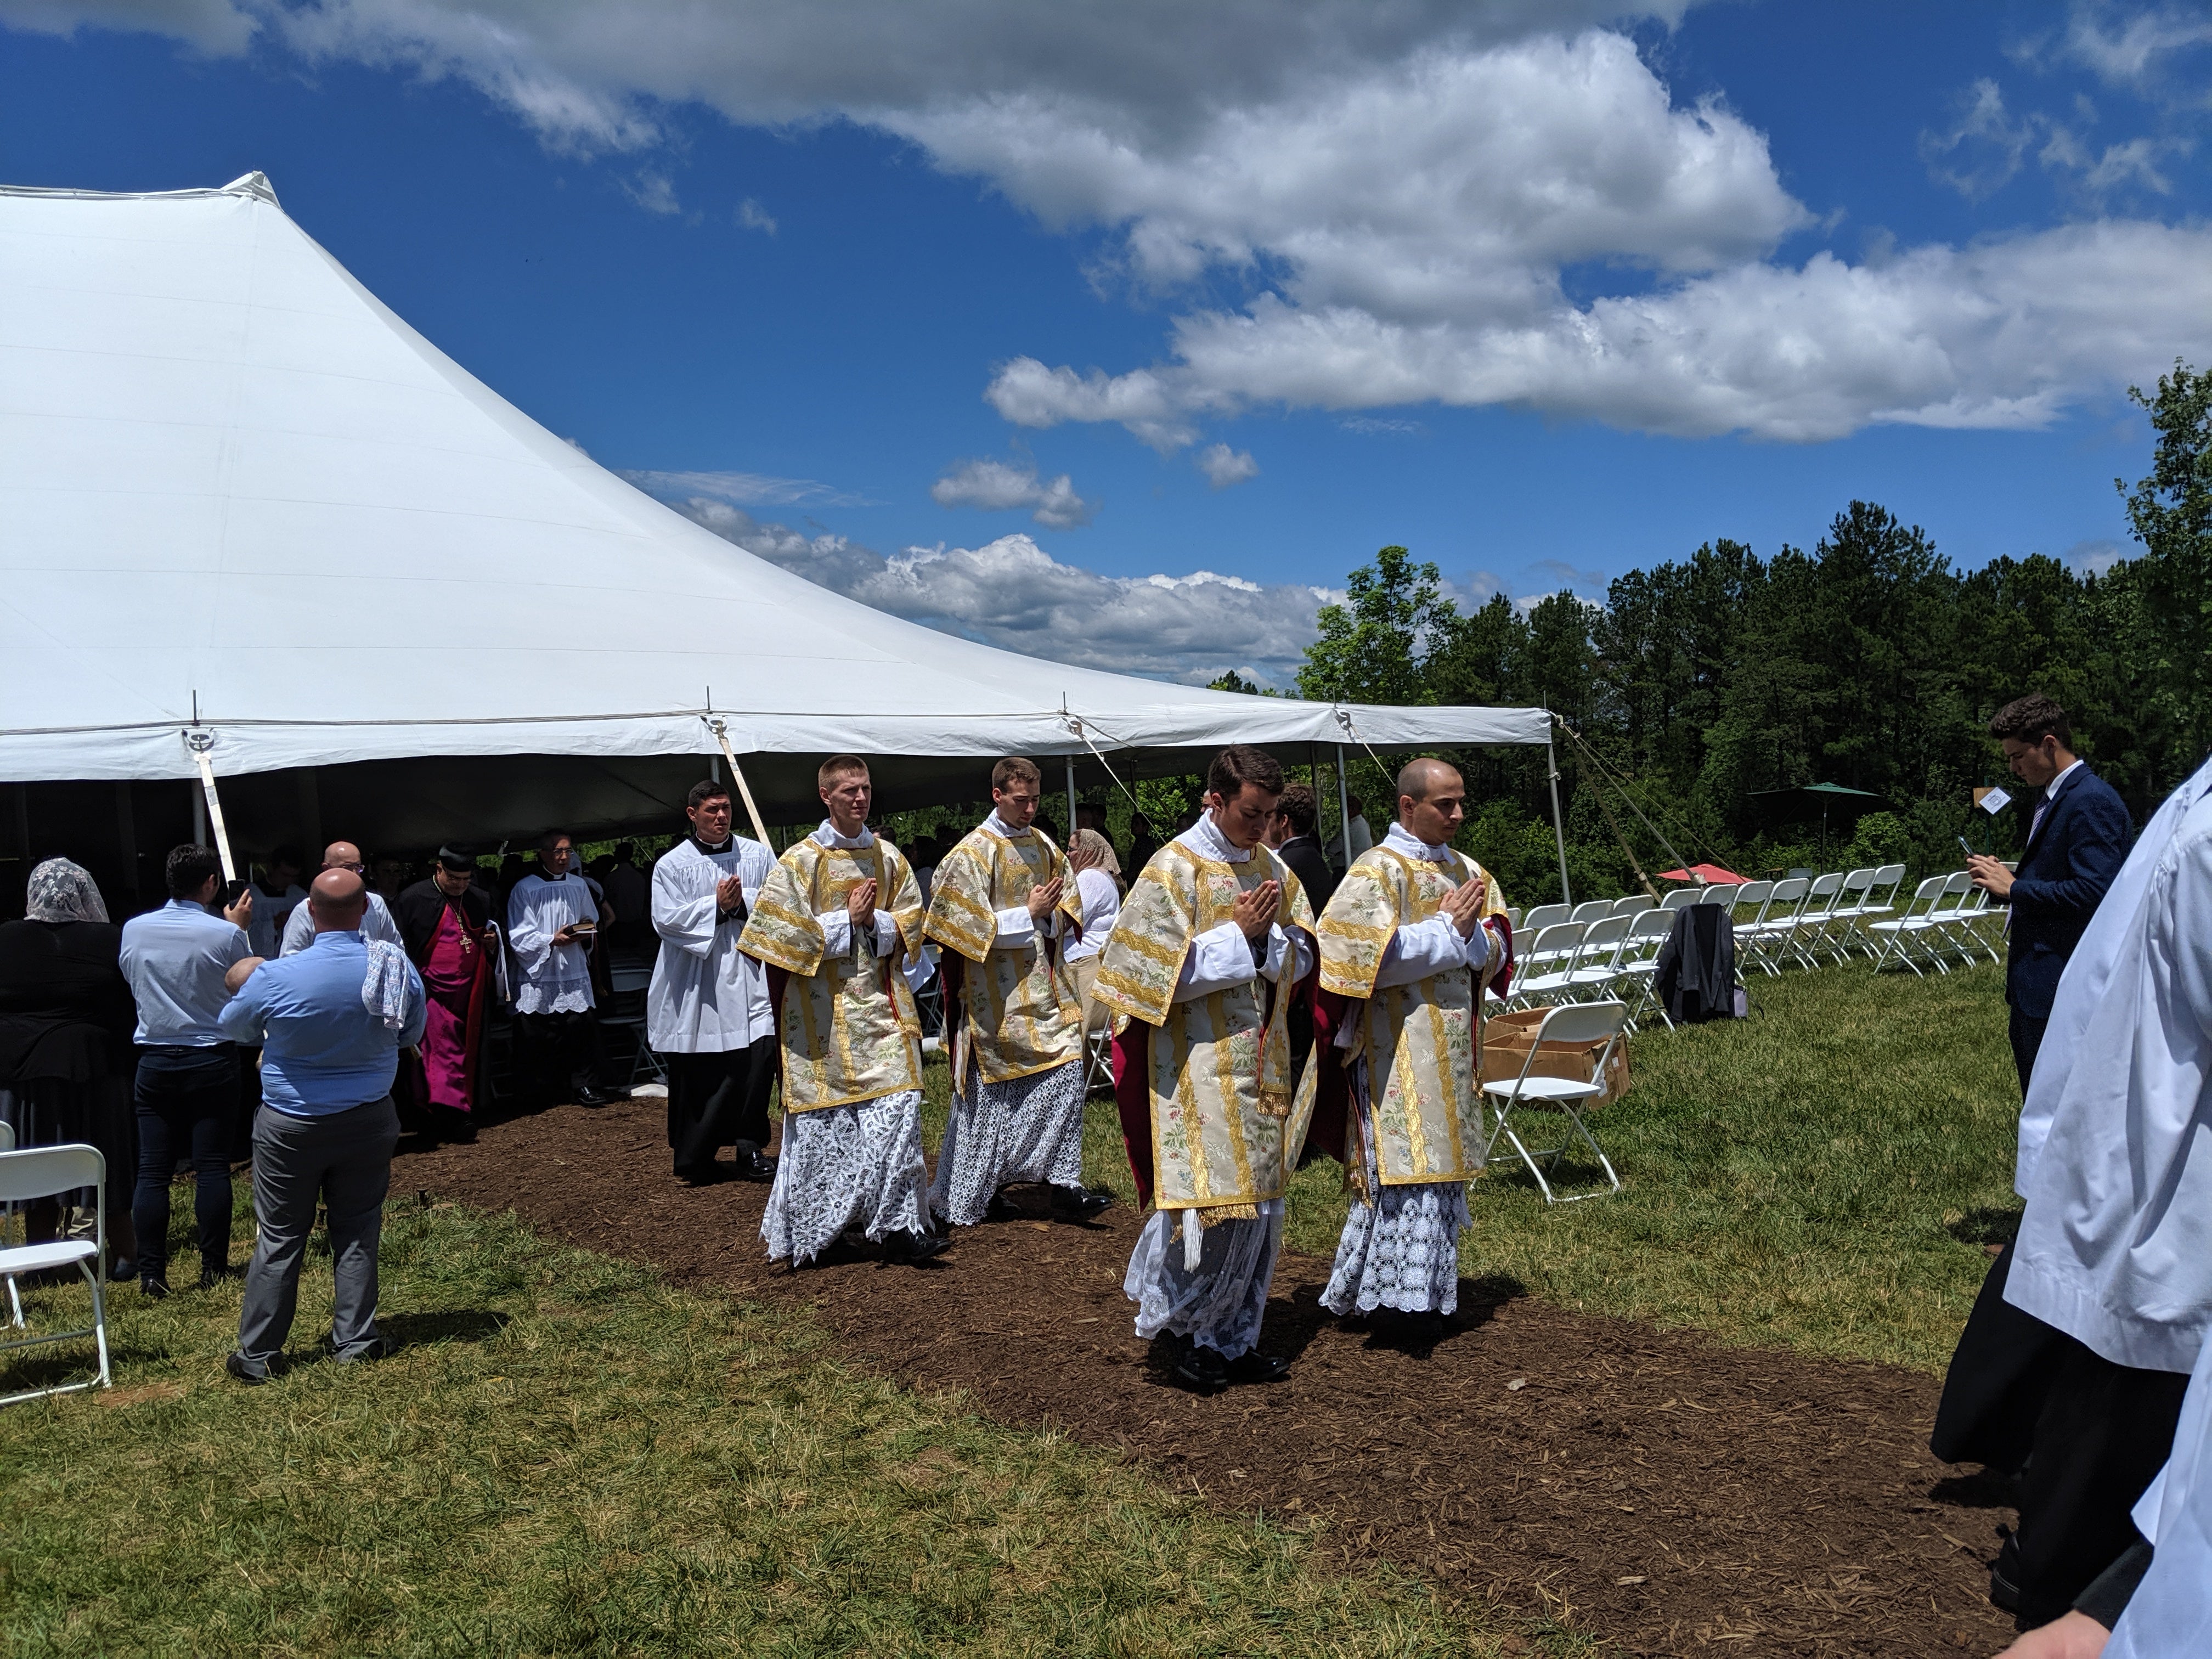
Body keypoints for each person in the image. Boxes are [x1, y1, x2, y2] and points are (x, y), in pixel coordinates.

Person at [1935, 750, 2212, 1628]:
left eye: (2011, 753)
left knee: (2127, 1401)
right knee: (2115, 1403)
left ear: (2040, 746)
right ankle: (2067, 1575)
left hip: (2156, 1154)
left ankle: (2068, 1576)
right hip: (2130, 1101)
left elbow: (2092, 893)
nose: (2004, 766)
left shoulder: (2109, 806)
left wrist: (2017, 888)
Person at [1094, 744, 1317, 1392]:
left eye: (1272, 815)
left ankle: (1234, 1335)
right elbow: (1134, 978)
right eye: (1252, 813)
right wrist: (1238, 940)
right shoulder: (1172, 870)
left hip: (1262, 1066)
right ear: (1214, 800)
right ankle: (1189, 1336)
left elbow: (1305, 954)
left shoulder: (1273, 867)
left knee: (1259, 1210)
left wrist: (1275, 944)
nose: (1263, 827)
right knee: (1210, 1207)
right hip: (1195, 1070)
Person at [1312, 759, 1510, 1336]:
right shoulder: (1377, 870)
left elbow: (1496, 949)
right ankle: (1393, 1301)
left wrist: (1474, 938)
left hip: (1450, 1042)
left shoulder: (1468, 869)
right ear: (1407, 806)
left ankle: (1410, 1293)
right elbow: (1351, 959)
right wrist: (1448, 933)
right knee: (1403, 1168)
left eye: (1460, 802)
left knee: (1439, 1168)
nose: (1457, 814)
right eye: (1444, 804)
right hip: (1393, 1042)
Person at [218, 867, 424, 1383]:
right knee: (357, 1230)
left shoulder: (277, 975)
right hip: (369, 1116)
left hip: (292, 1122)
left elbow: (235, 1027)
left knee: (282, 1234)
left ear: (308, 913)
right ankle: (354, 1339)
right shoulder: (394, 966)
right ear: (366, 911)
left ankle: (260, 1354)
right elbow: (411, 1032)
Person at [738, 754, 941, 1266]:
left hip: (881, 1013)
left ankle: (900, 1226)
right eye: (848, 790)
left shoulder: (889, 858)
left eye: (866, 788)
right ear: (826, 797)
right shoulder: (799, 863)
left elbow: (913, 924)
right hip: (819, 1022)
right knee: (829, 1128)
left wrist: (875, 926)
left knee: (899, 1113)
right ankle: (820, 1228)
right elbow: (776, 939)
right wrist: (845, 922)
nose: (860, 798)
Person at [922, 757, 1110, 1228]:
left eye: (1035, 800)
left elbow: (1066, 910)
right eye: (1020, 800)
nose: (1029, 809)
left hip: (1044, 991)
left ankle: (1062, 1183)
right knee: (990, 1102)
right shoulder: (971, 853)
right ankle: (976, 1190)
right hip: (992, 1002)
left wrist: (1047, 915)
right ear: (997, 796)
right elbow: (952, 926)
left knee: (1067, 1073)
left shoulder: (1044, 845)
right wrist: (1025, 914)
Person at [1966, 694, 2131, 1099]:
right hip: (2039, 982)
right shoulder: (2056, 798)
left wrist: (2016, 888)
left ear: (2050, 744)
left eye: (2019, 756)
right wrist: (2005, 879)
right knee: (2039, 1099)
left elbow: (2098, 891)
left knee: (2061, 1105)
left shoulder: (2090, 800)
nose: (2013, 768)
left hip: (2064, 984)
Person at [117, 844, 252, 1297]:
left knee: (153, 1168)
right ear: (211, 882)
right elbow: (246, 986)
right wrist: (238, 931)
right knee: (212, 1164)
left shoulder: (134, 930)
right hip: (211, 1054)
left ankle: (152, 1271)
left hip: (155, 1056)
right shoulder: (225, 934)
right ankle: (213, 1265)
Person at [0, 859, 139, 1273]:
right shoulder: (109, 939)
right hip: (94, 1066)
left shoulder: (6, 938)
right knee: (108, 1160)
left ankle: (39, 1257)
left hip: (24, 1071)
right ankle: (126, 1254)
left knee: (37, 1159)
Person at [649, 781, 779, 1184]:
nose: (721, 817)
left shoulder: (756, 855)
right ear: (693, 815)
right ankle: (696, 1154)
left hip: (749, 973)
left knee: (756, 1061)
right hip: (698, 983)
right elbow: (666, 920)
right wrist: (716, 909)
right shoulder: (672, 865)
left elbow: (781, 901)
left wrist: (742, 903)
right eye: (712, 810)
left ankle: (750, 1146)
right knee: (703, 1068)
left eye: (725, 809)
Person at [392, 847, 499, 1142]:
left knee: (466, 1049)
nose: (460, 885)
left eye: (466, 879)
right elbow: (399, 946)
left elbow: (488, 934)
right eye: (454, 878)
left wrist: (491, 942)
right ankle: (451, 1115)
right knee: (441, 1051)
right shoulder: (413, 899)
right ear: (438, 869)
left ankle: (459, 1109)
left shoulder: (479, 898)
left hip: (470, 991)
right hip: (431, 992)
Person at [506, 829, 610, 1108]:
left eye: (568, 851)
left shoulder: (578, 885)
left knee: (580, 1029)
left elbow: (592, 919)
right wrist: (552, 939)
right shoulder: (525, 888)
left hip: (572, 965)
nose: (564, 857)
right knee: (537, 1032)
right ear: (542, 855)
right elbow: (518, 934)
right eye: (558, 852)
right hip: (541, 970)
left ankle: (584, 1085)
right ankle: (539, 1091)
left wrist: (581, 932)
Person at [279, 842, 403, 956]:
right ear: (326, 869)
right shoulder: (304, 910)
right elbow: (290, 959)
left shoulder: (375, 903)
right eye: (348, 868)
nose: (355, 874)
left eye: (358, 867)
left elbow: (395, 948)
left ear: (364, 906)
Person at [1063, 827, 1121, 1037]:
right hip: (1097, 961)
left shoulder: (1089, 877)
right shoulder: (1104, 878)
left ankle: (1078, 1071)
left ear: (1088, 850)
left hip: (1085, 963)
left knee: (1076, 1031)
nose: (1068, 854)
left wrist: (1041, 919)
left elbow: (1070, 921)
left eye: (1072, 849)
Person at [1268, 783, 1338, 915]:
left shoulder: (1283, 865)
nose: (1266, 823)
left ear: (1283, 820)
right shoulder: (1316, 858)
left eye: (1269, 816)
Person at [245, 846, 306, 960]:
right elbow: (242, 930)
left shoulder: (299, 895)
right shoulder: (251, 894)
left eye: (294, 877)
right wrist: (274, 924)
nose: (289, 881)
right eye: (285, 875)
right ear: (272, 868)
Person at [603, 840, 652, 966]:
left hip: (618, 927)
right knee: (637, 959)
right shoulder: (639, 877)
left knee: (621, 960)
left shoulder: (611, 878)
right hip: (636, 924)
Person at [1325, 792, 1375, 870]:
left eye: (1343, 809)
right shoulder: (1364, 824)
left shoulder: (1350, 829)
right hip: (1363, 867)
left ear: (1351, 809)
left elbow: (1331, 850)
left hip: (1347, 870)